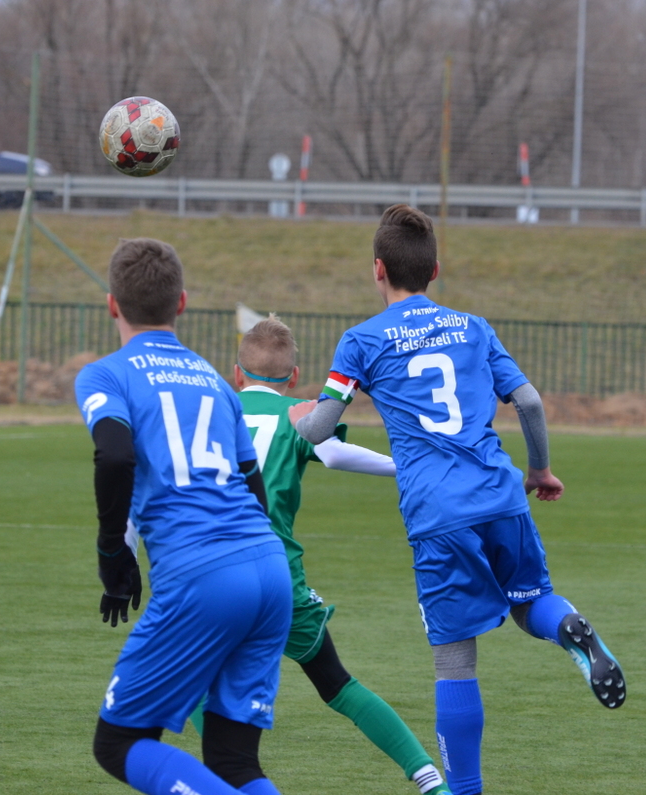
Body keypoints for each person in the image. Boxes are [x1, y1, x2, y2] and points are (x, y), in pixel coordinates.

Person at [289, 205, 626, 795]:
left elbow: (319, 430)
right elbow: (530, 403)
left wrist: (294, 418)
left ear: (377, 269)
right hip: (500, 492)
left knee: (455, 662)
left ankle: (464, 790)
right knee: (533, 602)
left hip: (437, 514)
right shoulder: (474, 327)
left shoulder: (361, 341)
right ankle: (571, 627)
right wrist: (540, 469)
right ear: (435, 270)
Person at [190, 315, 451, 795]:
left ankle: (232, 782)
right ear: (292, 377)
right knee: (337, 684)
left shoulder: (207, 413)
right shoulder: (298, 413)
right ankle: (431, 781)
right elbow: (332, 454)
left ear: (235, 373)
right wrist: (405, 469)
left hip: (209, 575)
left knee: (194, 685)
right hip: (276, 577)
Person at [74, 238, 292, 795]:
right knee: (233, 761)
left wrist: (111, 552)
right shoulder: (217, 383)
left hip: (203, 575)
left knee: (118, 744)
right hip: (269, 568)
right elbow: (254, 484)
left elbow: (116, 453)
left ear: (111, 305)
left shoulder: (107, 375)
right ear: (183, 303)